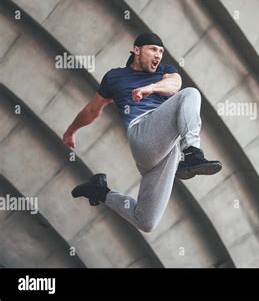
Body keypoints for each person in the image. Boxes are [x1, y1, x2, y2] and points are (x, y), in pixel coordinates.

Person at [62, 32, 222, 232]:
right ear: (136, 50)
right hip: (141, 133)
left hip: (163, 153)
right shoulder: (114, 77)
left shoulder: (165, 72)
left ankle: (99, 191)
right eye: (153, 50)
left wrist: (151, 88)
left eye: (161, 52)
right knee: (192, 94)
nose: (158, 56)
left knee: (146, 221)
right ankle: (192, 153)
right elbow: (93, 110)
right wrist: (71, 130)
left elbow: (175, 85)